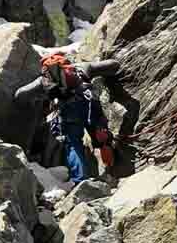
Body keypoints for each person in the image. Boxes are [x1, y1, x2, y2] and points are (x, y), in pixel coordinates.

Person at [15, 50, 116, 183]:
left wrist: (40, 97)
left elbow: (20, 95)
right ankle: (114, 172)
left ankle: (80, 180)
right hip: (90, 105)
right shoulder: (81, 67)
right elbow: (113, 65)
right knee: (102, 136)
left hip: (69, 110)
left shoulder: (43, 80)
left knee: (74, 144)